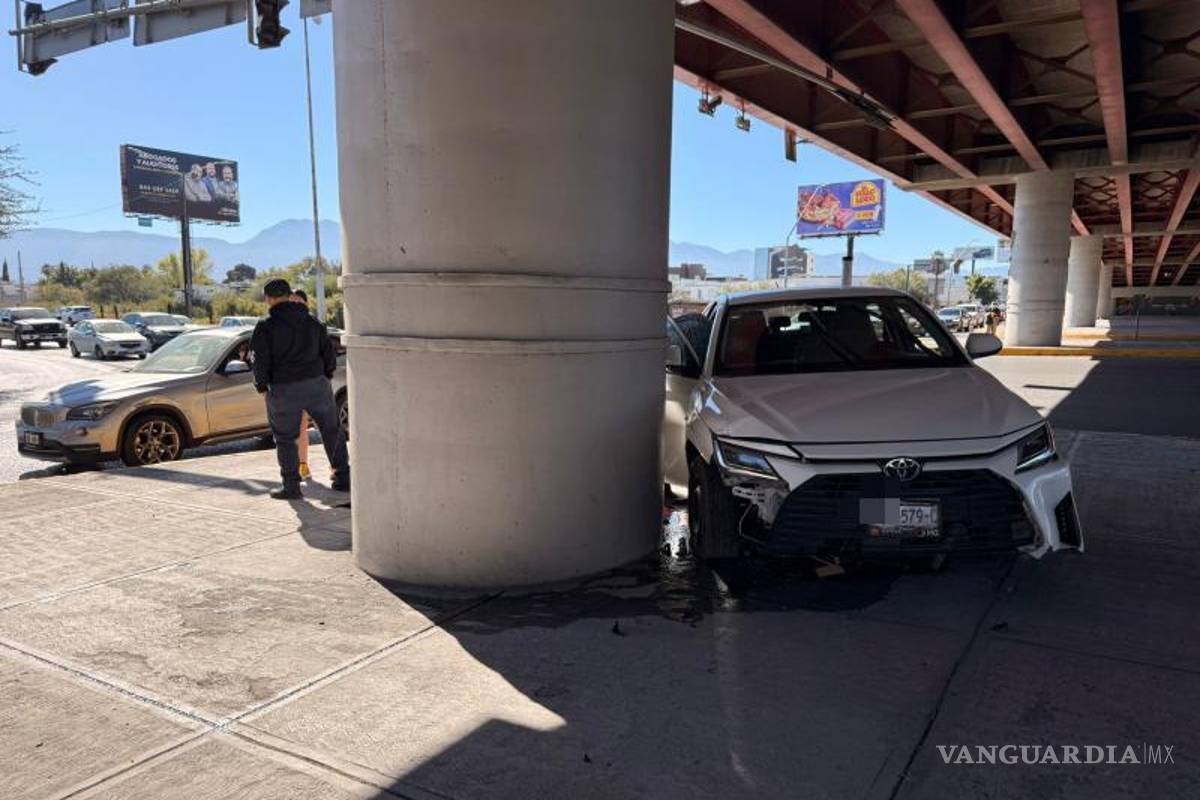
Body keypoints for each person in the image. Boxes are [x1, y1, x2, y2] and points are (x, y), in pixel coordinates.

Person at [251, 278, 350, 499]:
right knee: (331, 430)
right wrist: (324, 376)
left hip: (283, 389)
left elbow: (260, 361)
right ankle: (343, 477)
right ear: (288, 295)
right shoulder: (313, 322)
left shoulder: (265, 327)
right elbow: (329, 355)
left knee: (286, 438)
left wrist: (262, 386)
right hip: (316, 384)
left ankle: (291, 486)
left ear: (268, 299)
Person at [291, 288, 313, 480]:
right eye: (292, 302)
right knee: (297, 427)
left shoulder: (312, 326)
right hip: (290, 385)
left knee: (309, 426)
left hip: (312, 383)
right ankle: (299, 465)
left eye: (299, 302)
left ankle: (337, 468)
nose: (295, 306)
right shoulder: (283, 328)